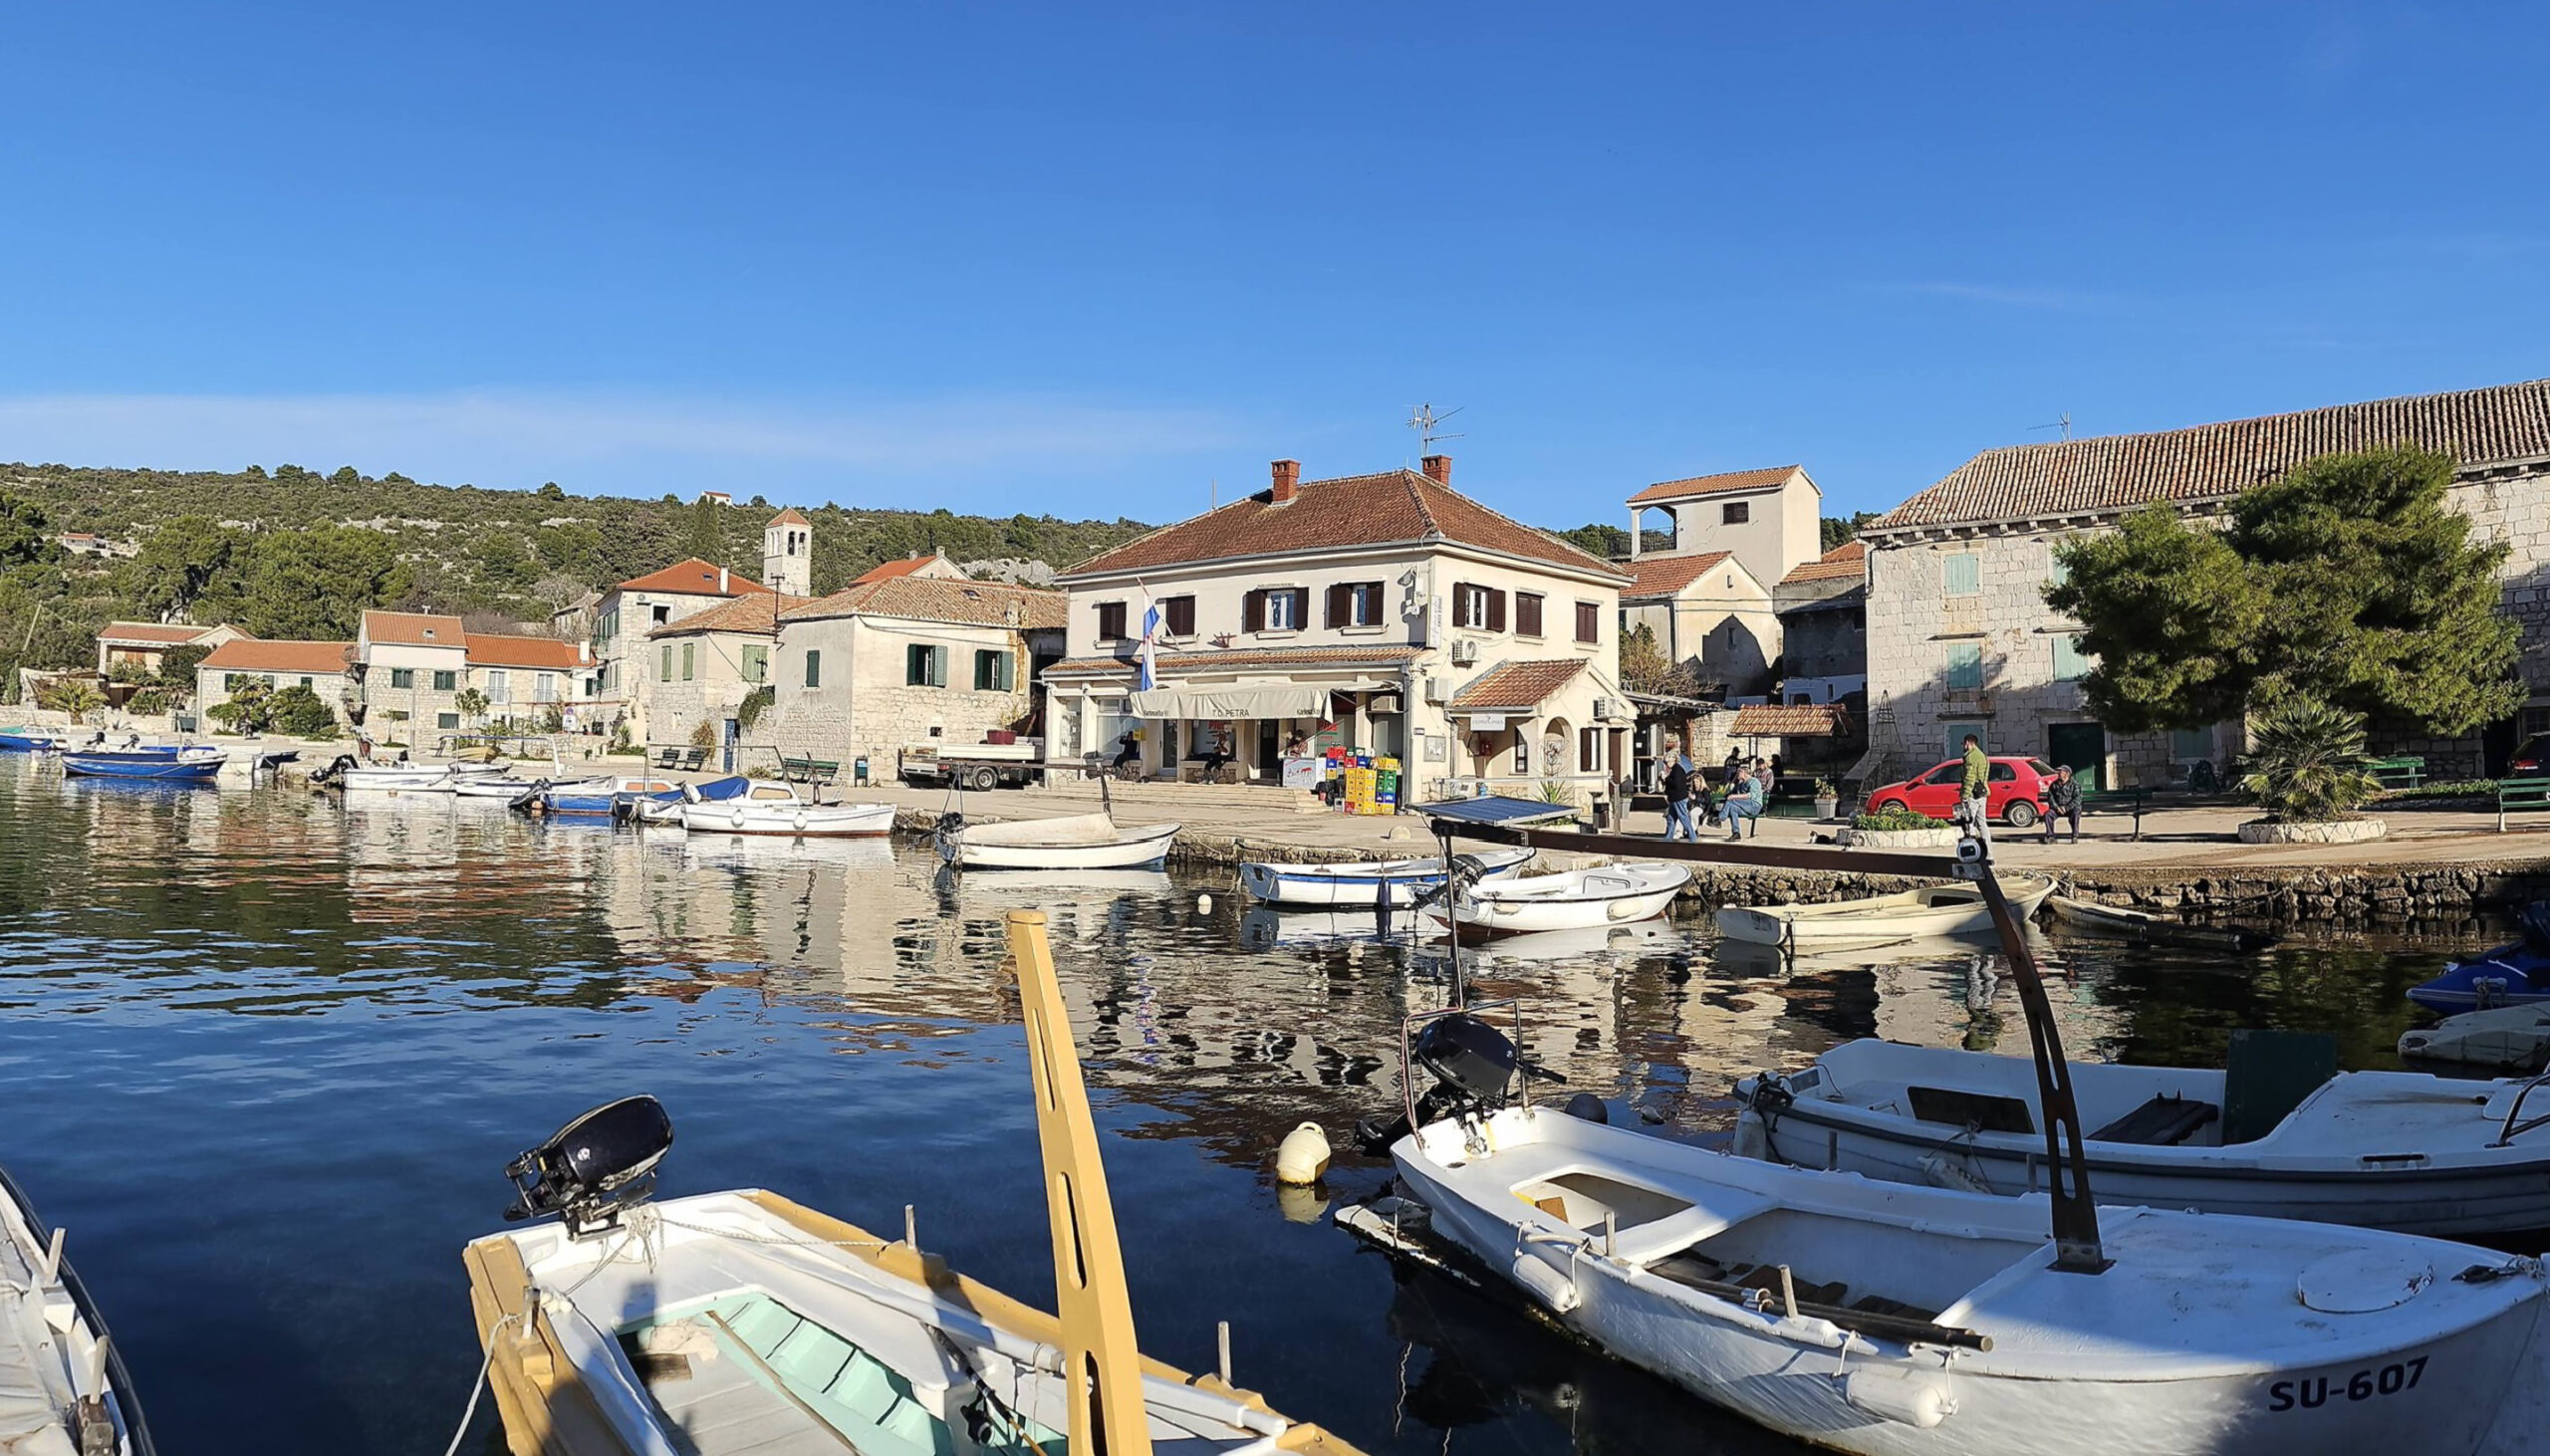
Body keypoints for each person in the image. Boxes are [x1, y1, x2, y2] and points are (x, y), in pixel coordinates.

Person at [1958, 734, 1992, 844]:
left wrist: (1965, 795)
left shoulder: (1970, 757)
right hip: (1982, 793)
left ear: (1968, 742)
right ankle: (1988, 850)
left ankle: (1971, 849)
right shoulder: (1983, 756)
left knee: (1969, 823)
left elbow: (1970, 778)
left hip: (1972, 795)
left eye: (1963, 743)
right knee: (1982, 823)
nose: (1963, 746)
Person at [2043, 764, 2084, 845]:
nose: (2058, 773)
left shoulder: (2075, 785)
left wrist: (2066, 808)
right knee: (2048, 815)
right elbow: (2050, 798)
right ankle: (2050, 836)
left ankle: (2074, 836)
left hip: (2070, 808)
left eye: (2060, 771)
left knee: (2076, 813)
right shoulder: (2054, 785)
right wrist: (2057, 807)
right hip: (2058, 808)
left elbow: (2077, 799)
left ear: (2067, 773)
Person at [1722, 766, 1765, 841]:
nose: (1737, 774)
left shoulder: (1754, 781)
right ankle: (1736, 833)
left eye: (1738, 772)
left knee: (1731, 801)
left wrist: (1734, 797)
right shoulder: (1740, 784)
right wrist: (1732, 784)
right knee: (1732, 809)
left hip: (1754, 805)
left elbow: (1750, 796)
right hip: (1745, 806)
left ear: (1743, 773)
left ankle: (1720, 819)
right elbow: (1731, 793)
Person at [1661, 752, 1697, 841]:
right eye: (1666, 762)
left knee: (1683, 817)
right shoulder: (1673, 770)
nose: (1667, 764)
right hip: (1674, 798)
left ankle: (1692, 836)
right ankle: (1668, 837)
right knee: (1671, 818)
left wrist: (1666, 778)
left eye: (1668, 762)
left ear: (1674, 760)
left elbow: (1676, 784)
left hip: (1679, 798)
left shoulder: (1677, 770)